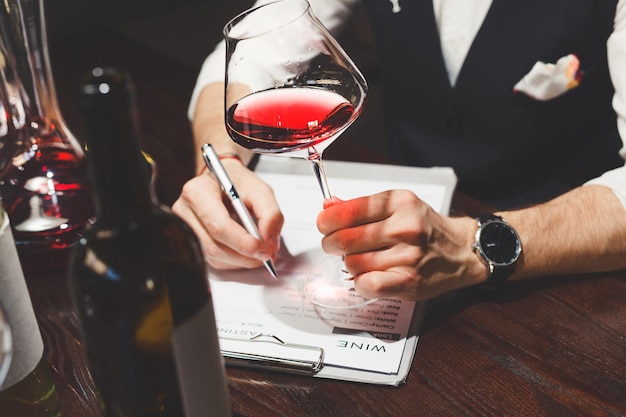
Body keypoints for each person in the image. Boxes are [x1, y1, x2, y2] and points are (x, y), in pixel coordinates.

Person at [172, 0, 626, 301]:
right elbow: (257, 46)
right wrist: (220, 171)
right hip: (397, 255)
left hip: (561, 274)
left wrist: (473, 245)